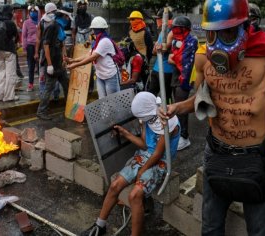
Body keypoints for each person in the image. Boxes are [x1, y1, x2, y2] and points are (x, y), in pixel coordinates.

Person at [158, 0, 265, 234]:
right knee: (211, 228)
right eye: (212, 33)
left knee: (259, 231)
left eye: (227, 32)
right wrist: (178, 107)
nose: (218, 41)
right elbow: (203, 99)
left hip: (258, 157)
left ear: (245, 27)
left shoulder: (264, 51)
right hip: (216, 153)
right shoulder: (204, 58)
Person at [80, 92, 180, 236]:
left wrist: (142, 170)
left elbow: (157, 154)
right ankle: (100, 226)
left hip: (161, 161)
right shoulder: (148, 116)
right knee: (115, 185)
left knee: (134, 195)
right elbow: (145, 145)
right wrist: (125, 133)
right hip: (145, 156)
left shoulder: (168, 121)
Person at [66, 16, 120, 99]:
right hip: (100, 75)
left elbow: (92, 58)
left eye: (94, 29)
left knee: (112, 101)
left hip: (110, 76)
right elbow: (89, 55)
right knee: (102, 100)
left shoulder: (104, 41)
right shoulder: (97, 41)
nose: (93, 31)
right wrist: (73, 60)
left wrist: (74, 65)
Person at [168, 16, 198, 151]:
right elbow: (171, 57)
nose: (175, 31)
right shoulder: (176, 41)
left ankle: (184, 137)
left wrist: (174, 59)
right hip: (176, 75)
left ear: (185, 29)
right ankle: (178, 133)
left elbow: (186, 62)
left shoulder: (192, 41)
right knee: (176, 104)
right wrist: (175, 59)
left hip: (185, 77)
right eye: (173, 28)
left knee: (181, 106)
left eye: (178, 28)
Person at [36, 5, 70, 120]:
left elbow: (62, 44)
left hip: (59, 63)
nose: (68, 19)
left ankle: (69, 107)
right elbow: (45, 46)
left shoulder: (59, 27)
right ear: (63, 17)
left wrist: (65, 57)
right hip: (52, 64)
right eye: (67, 17)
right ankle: (41, 111)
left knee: (67, 85)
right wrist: (49, 64)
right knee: (48, 88)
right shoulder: (51, 27)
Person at [148, 9, 174, 104]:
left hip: (167, 70)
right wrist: (157, 48)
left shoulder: (172, 31)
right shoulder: (162, 32)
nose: (156, 21)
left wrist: (158, 48)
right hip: (157, 68)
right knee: (151, 94)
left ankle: (169, 116)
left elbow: (161, 49)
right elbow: (154, 50)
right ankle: (150, 114)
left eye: (158, 19)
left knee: (166, 97)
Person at [0, 5, 20, 102]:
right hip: (9, 51)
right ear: (9, 12)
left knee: (1, 73)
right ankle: (9, 96)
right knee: (10, 74)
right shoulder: (10, 23)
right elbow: (16, 37)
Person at [127, 10, 153, 85]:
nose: (131, 21)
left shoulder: (146, 32)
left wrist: (147, 59)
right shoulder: (130, 30)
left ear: (139, 20)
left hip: (143, 59)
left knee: (143, 79)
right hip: (132, 59)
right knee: (132, 79)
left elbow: (150, 47)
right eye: (130, 20)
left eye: (133, 19)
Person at [22, 5, 40, 92]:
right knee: (31, 66)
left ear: (38, 12)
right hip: (30, 46)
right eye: (31, 11)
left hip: (40, 46)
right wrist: (24, 48)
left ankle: (42, 84)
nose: (33, 13)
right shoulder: (26, 23)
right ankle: (30, 84)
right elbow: (24, 36)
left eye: (35, 11)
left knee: (41, 66)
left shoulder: (41, 22)